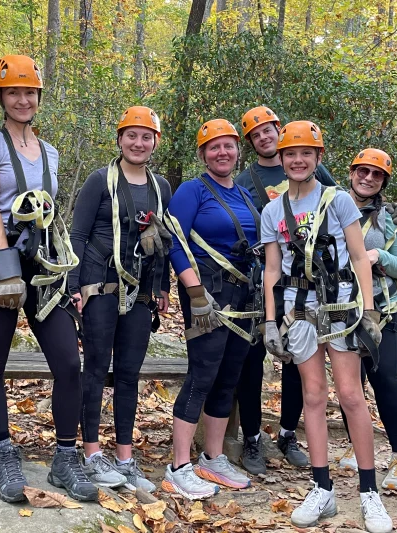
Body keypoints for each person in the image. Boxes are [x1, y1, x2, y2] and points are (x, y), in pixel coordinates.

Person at [0, 54, 98, 504]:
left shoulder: (51, 152)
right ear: (0, 97)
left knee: (68, 363)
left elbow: (49, 212)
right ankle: (4, 453)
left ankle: (65, 456)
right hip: (2, 263)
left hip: (43, 266)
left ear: (39, 97)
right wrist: (4, 271)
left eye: (29, 92)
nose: (22, 99)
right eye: (13, 92)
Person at [260, 121, 393, 532]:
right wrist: (269, 320)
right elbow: (270, 270)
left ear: (318, 158)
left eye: (306, 153)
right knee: (313, 396)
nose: (298, 160)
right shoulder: (272, 209)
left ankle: (370, 493)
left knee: (352, 395)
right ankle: (322, 488)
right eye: (290, 154)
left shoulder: (338, 201)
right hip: (297, 309)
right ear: (281, 160)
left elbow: (358, 256)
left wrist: (369, 311)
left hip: (339, 306)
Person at [68, 106, 172, 492]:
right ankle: (92, 452)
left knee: (129, 373)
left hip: (141, 294)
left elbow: (163, 240)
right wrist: (74, 285)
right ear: (119, 139)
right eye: (131, 135)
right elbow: (77, 235)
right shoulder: (101, 181)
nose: (138, 143)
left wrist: (162, 287)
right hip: (100, 288)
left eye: (146, 136)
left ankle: (125, 457)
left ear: (155, 142)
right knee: (95, 368)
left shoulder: (161, 187)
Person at [161, 119, 260, 500]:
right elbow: (174, 241)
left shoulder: (245, 194)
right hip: (207, 295)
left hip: (243, 298)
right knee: (202, 373)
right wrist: (195, 292)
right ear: (203, 154)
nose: (223, 153)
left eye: (229, 146)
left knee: (229, 375)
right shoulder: (192, 191)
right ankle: (179, 465)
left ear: (238, 151)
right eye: (214, 147)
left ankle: (212, 457)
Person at [234, 105, 336, 473]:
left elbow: (337, 210)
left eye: (268, 129)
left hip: (306, 284)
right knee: (252, 360)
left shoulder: (308, 164)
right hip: (261, 280)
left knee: (298, 360)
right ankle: (251, 439)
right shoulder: (246, 180)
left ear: (279, 129)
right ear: (250, 142)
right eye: (255, 134)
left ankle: (289, 433)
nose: (264, 136)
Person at [335, 149, 397, 492]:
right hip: (342, 308)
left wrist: (378, 255)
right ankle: (357, 444)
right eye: (362, 171)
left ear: (383, 181)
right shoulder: (332, 207)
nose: (367, 178)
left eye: (376, 174)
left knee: (385, 378)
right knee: (351, 384)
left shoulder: (391, 219)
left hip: (384, 310)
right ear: (351, 173)